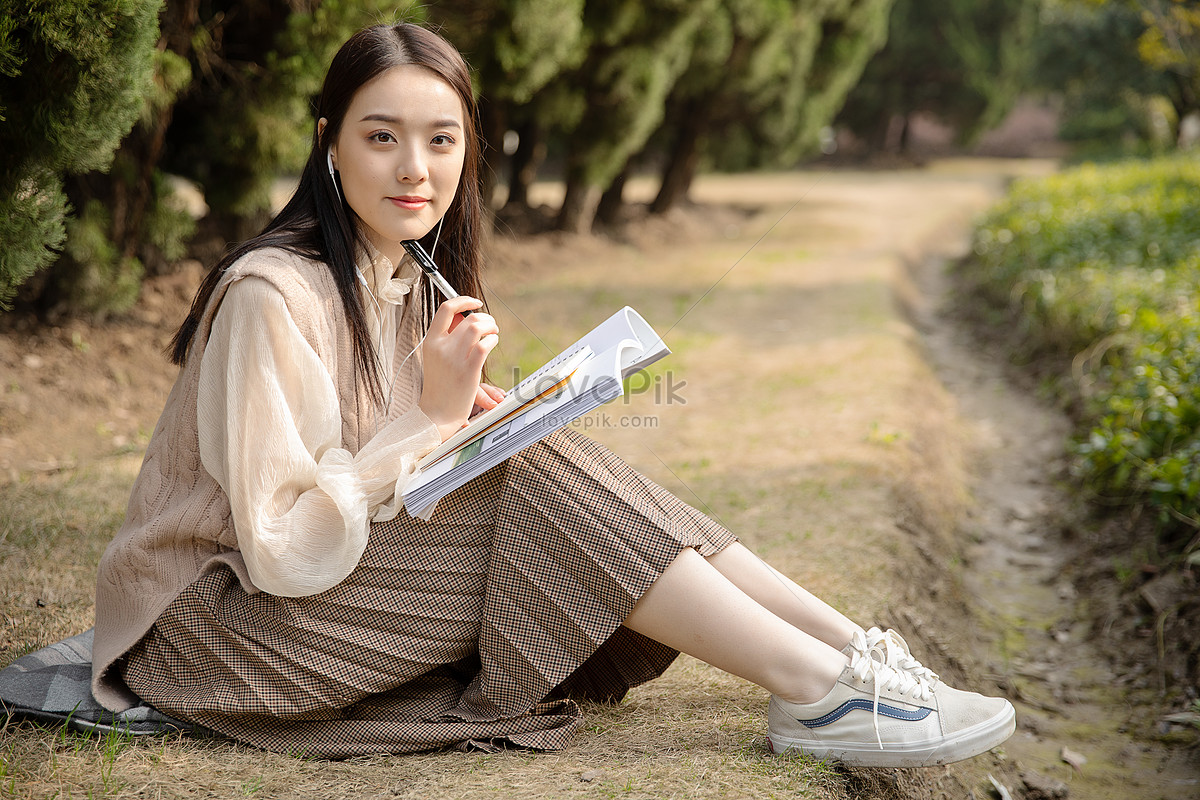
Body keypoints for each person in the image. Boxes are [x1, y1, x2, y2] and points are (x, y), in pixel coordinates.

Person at [91, 22, 1015, 766]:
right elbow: (283, 549)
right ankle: (821, 692)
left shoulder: (407, 274)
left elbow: (392, 477)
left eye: (440, 140)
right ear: (330, 147)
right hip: (213, 639)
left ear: (467, 153)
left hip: (304, 600)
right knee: (524, 467)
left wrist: (462, 425)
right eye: (382, 138)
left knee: (530, 442)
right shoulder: (271, 293)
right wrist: (434, 422)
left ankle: (856, 657)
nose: (415, 169)